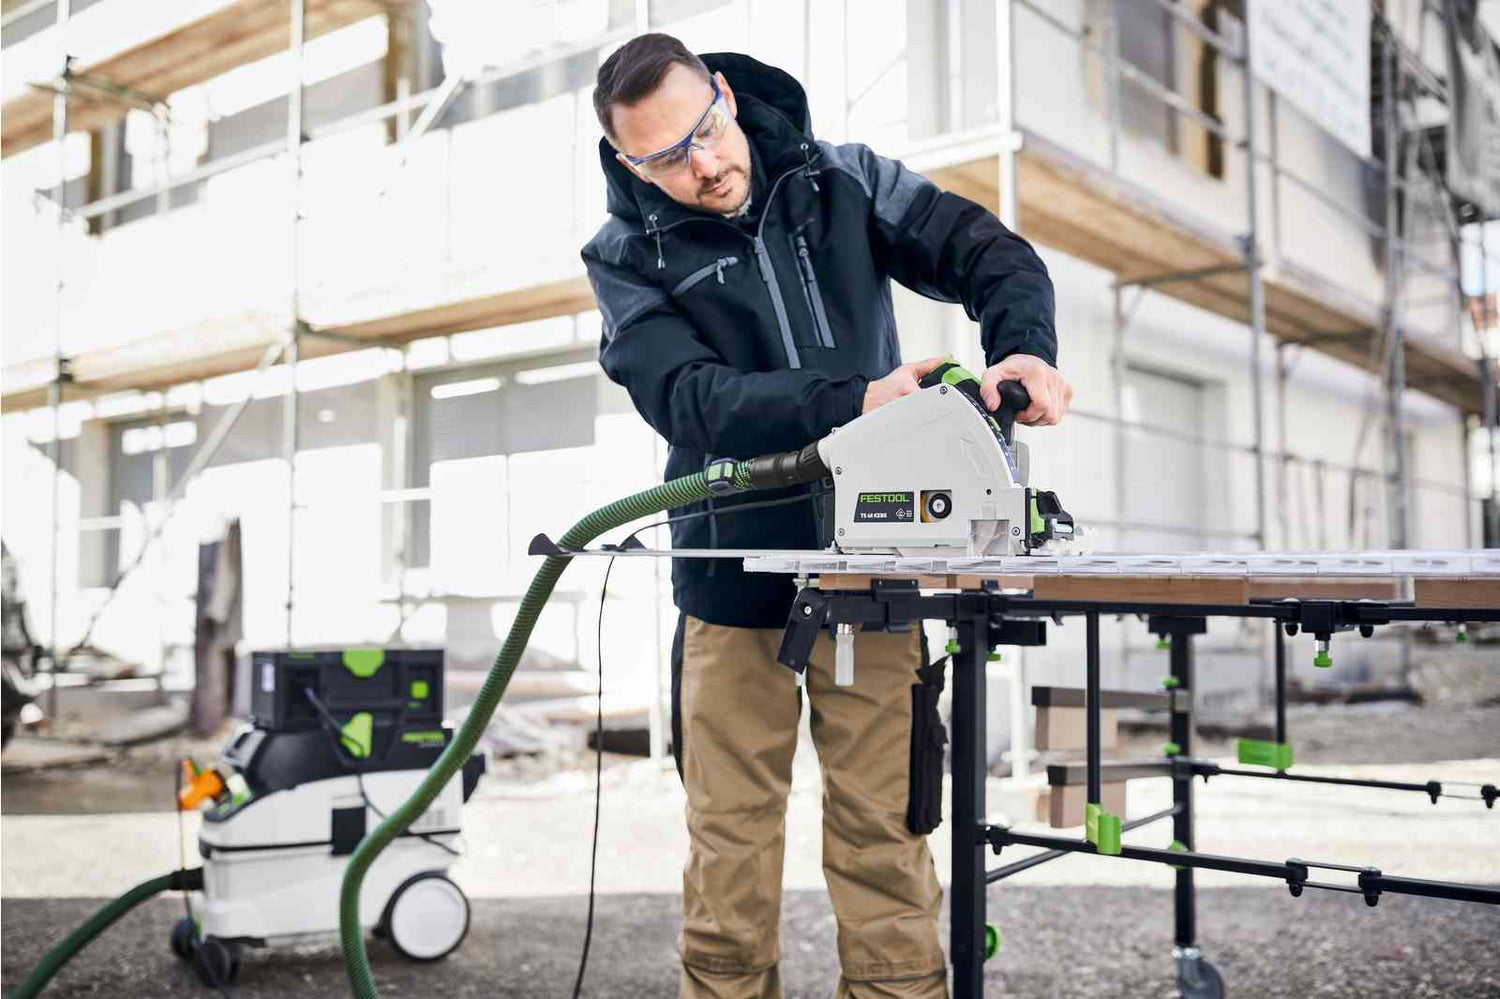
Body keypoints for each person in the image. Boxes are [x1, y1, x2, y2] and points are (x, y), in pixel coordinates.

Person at [582, 33, 1071, 999]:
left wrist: (1024, 347)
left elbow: (987, 252)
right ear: (630, 165)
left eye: (704, 132)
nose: (701, 166)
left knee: (885, 832)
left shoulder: (843, 181)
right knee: (729, 844)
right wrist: (857, 403)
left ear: (725, 97)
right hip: (730, 584)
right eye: (665, 158)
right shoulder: (625, 257)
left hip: (872, 573)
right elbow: (690, 399)